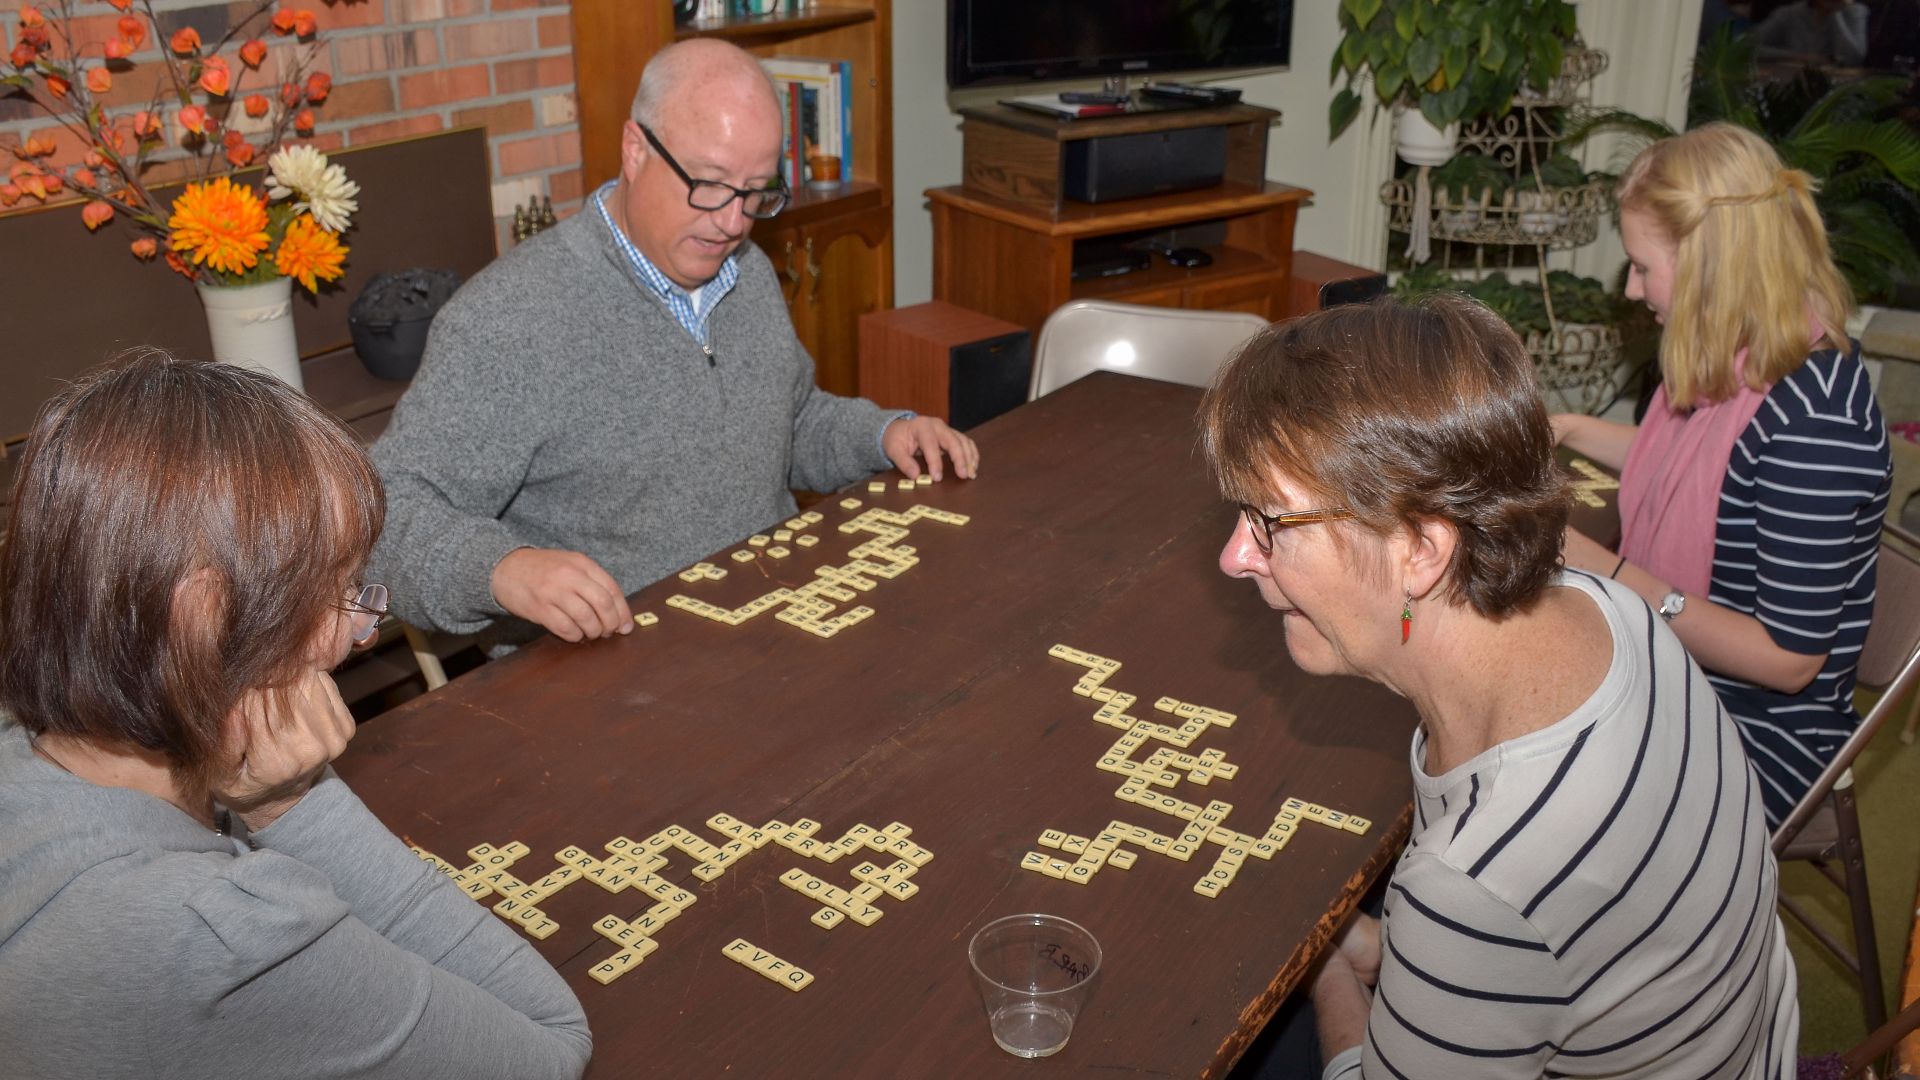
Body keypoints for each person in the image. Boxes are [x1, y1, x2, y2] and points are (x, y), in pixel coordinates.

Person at [1205, 296, 1798, 1078]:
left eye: (1269, 523)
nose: (1234, 557)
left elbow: (1498, 910)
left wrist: (1325, 974)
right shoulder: (1618, 613)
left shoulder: (1476, 882)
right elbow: (1571, 944)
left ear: (1421, 546)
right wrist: (1403, 952)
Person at [0, 353, 592, 1079]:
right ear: (204, 620)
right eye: (343, 590)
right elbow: (547, 1045)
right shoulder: (223, 936)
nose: (362, 631)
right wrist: (293, 804)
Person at [369, 38, 978, 650]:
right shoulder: (509, 320)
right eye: (710, 184)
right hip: (610, 671)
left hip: (778, 623)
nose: (734, 221)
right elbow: (384, 516)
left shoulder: (748, 271)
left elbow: (788, 423)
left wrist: (882, 435)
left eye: (756, 191)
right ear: (636, 150)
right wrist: (501, 570)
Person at [1554, 122, 1891, 830]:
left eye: (1643, 265)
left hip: (1761, 730)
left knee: (1529, 775)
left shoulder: (1816, 418)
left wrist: (1613, 572)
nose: (1631, 284)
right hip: (1690, 684)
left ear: (1712, 268)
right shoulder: (1745, 362)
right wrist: (1568, 430)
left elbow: (1790, 660)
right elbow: (1692, 465)